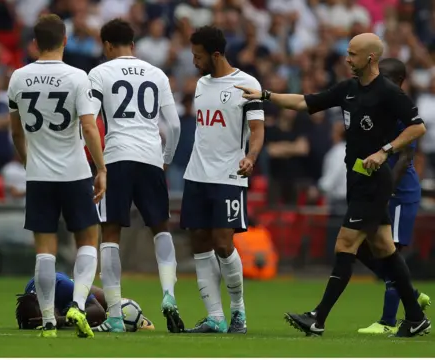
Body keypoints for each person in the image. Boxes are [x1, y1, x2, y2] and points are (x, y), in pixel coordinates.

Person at [236, 33, 430, 337]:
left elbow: (418, 127)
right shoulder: (348, 89)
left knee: (345, 245)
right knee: (384, 250)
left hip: (373, 181)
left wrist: (384, 151)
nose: (347, 59)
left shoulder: (389, 93)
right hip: (355, 177)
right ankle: (416, 316)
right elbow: (304, 102)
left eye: (353, 54)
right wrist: (266, 95)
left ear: (370, 58)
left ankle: (318, 317)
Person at [7, 14, 106, 339]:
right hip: (75, 172)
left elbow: (16, 132)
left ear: (35, 43)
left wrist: (28, 161)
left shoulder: (18, 78)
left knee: (45, 250)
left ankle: (48, 318)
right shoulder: (78, 77)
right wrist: (101, 168)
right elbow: (89, 127)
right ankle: (77, 303)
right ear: (64, 40)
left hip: (39, 175)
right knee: (88, 241)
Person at [86, 18, 183, 333]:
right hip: (151, 158)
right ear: (134, 44)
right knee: (161, 229)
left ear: (107, 46)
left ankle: (114, 314)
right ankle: (169, 293)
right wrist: (165, 160)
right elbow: (176, 126)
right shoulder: (157, 74)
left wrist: (98, 165)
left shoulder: (100, 73)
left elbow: (89, 120)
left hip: (117, 157)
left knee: (110, 233)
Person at [181, 26, 265, 334]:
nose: (194, 61)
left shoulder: (247, 84)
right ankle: (215, 317)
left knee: (223, 242)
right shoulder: (201, 84)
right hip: (197, 174)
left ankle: (238, 313)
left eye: (198, 55)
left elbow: (257, 130)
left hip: (229, 175)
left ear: (216, 54)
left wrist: (251, 158)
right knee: (200, 241)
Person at [354, 58, 430, 334]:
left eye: (384, 77)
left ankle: (387, 322)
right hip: (380, 190)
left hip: (399, 193)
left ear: (399, 81)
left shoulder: (403, 110)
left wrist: (384, 192)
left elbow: (405, 157)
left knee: (391, 253)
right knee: (359, 248)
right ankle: (409, 291)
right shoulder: (379, 106)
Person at [15, 272, 155, 330]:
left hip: (67, 285)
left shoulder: (63, 287)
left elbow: (98, 311)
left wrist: (60, 320)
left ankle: (131, 313)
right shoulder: (29, 303)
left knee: (106, 301)